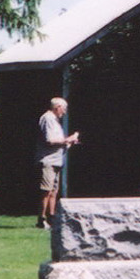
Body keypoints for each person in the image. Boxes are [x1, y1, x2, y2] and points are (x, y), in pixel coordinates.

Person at [35, 97, 79, 228]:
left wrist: (68, 142)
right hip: (48, 160)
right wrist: (67, 139)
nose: (64, 112)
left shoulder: (55, 121)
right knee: (46, 191)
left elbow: (57, 142)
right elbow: (50, 140)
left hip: (56, 160)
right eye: (63, 109)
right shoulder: (48, 119)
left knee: (54, 191)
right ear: (57, 107)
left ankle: (52, 217)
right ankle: (41, 219)